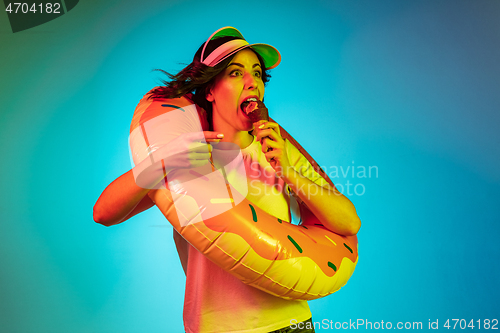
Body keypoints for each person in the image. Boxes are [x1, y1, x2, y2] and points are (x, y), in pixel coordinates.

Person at [94, 27, 361, 333]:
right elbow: (103, 213)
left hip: (290, 324)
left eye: (258, 73)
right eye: (236, 73)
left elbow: (348, 223)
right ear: (210, 90)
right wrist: (162, 162)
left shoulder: (278, 153)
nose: (252, 82)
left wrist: (287, 170)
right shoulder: (189, 159)